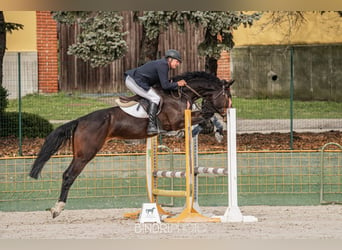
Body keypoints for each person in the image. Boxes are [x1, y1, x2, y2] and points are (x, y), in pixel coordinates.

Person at [124, 49, 187, 135]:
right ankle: (151, 126)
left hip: (136, 81)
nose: (178, 64)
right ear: (170, 59)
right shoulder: (163, 65)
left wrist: (173, 84)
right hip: (133, 81)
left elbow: (162, 83)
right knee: (155, 98)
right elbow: (165, 86)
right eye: (177, 61)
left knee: (154, 96)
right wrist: (178, 84)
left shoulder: (163, 65)